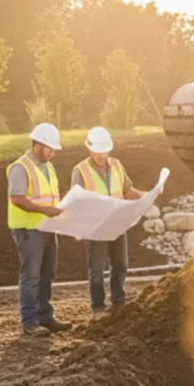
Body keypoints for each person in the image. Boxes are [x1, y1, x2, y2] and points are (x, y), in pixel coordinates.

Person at [71, 126, 145, 317]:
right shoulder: (80, 171)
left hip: (117, 225)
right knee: (96, 269)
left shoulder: (117, 165)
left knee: (121, 264)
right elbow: (76, 201)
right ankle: (98, 308)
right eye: (98, 152)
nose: (102, 155)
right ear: (89, 149)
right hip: (95, 228)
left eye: (105, 151)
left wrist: (144, 196)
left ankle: (118, 301)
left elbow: (127, 190)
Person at [7, 123, 72, 337]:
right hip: (29, 229)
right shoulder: (21, 167)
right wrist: (44, 210)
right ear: (37, 146)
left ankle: (45, 317)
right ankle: (30, 322)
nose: (52, 152)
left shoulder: (48, 166)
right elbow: (16, 198)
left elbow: (51, 197)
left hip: (47, 227)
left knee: (47, 272)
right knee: (31, 275)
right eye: (49, 148)